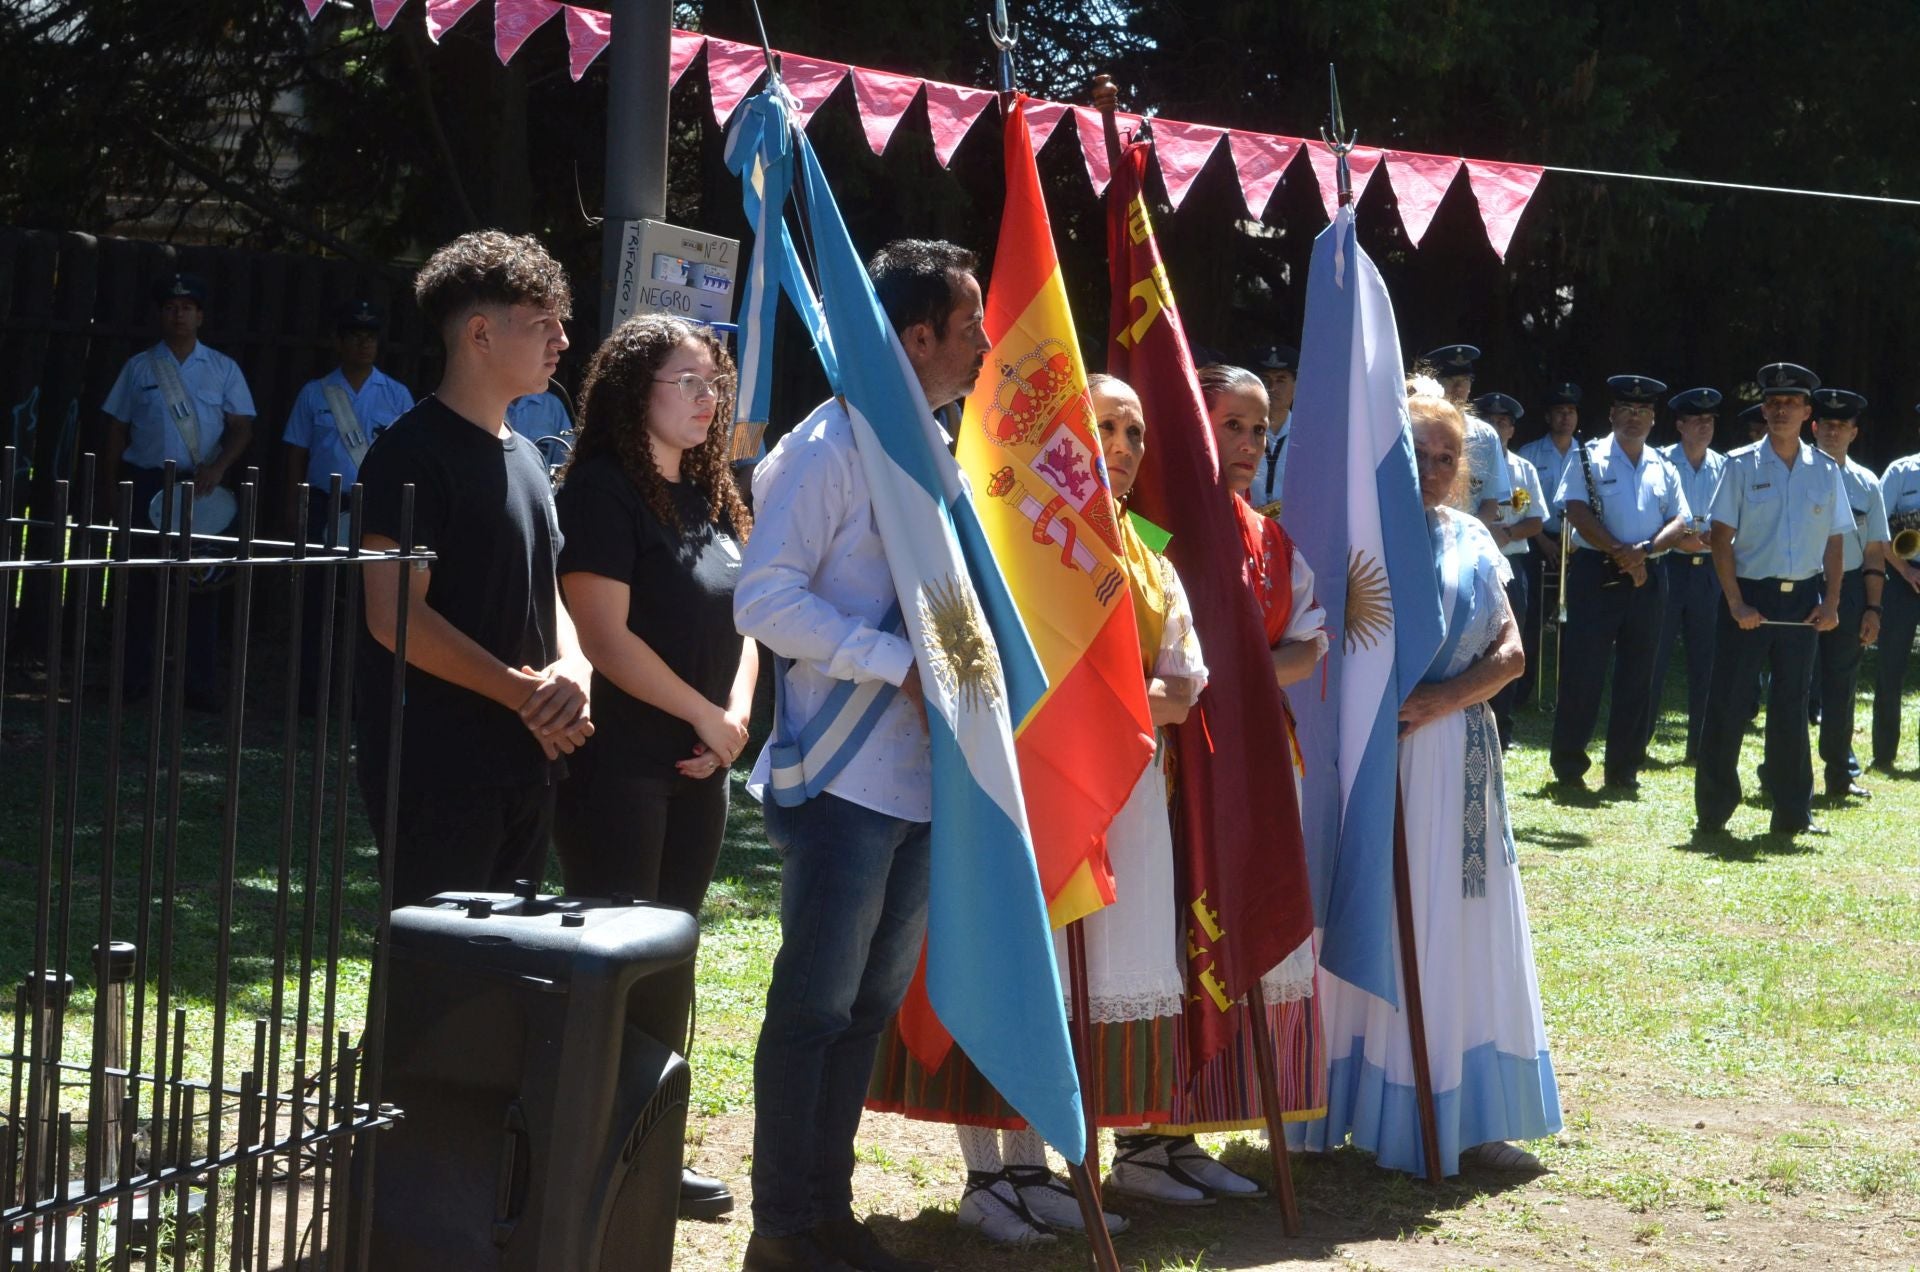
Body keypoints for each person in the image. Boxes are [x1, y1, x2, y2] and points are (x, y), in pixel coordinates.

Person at [863, 375, 1201, 1245]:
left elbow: (1184, 677)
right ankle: (991, 1173)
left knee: (1077, 981)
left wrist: (1129, 701)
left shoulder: (1148, 547)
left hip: (1127, 798)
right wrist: (1122, 699)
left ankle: (1037, 1164)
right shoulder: (1012, 540)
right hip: (1029, 788)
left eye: (1133, 431)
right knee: (1019, 961)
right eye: (1103, 427)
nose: (1120, 447)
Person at [735, 239, 989, 1272]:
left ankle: (825, 1214)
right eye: (969, 324)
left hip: (925, 780)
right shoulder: (827, 447)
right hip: (844, 779)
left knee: (867, 1009)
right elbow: (764, 597)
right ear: (917, 333)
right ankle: (782, 1229)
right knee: (813, 1007)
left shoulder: (931, 443)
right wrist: (896, 662)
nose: (982, 343)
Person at [1306, 392, 1561, 1175]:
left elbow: (1513, 655)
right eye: (1418, 453)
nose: (1434, 469)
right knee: (1373, 915)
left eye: (1447, 456)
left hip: (1456, 760)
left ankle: (1469, 1113)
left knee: (1459, 925)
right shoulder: (1353, 541)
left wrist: (1442, 699)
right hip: (1375, 764)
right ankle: (1346, 1105)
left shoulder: (1474, 538)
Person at [1107, 363, 1329, 1204]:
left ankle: (1183, 1130)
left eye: (1260, 429)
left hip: (1257, 763)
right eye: (1231, 425)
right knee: (1163, 937)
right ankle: (1140, 1136)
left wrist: (1243, 671)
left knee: (1228, 934)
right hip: (1173, 761)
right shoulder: (1158, 530)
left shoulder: (1270, 541)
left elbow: (1310, 644)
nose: (1247, 443)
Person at [551, 315, 757, 1220]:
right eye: (689, 381)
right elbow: (603, 639)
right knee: (617, 961)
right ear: (637, 389)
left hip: (701, 767)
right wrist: (704, 715)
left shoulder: (714, 495)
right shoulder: (601, 491)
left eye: (714, 384)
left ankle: (651, 1151)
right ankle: (590, 1153)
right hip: (622, 764)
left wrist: (734, 723)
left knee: (672, 959)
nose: (708, 399)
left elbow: (747, 616)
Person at [354, 231, 593, 909]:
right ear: (481, 334)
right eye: (543, 323)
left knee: (498, 982)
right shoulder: (409, 455)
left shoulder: (526, 456)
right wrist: (524, 694)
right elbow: (393, 615)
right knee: (431, 984)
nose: (563, 341)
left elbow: (547, 588)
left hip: (530, 758)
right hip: (439, 766)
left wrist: (574, 673)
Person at [1694, 363, 1850, 838]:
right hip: (1750, 596)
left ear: (1807, 413)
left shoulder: (1824, 470)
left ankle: (1792, 812)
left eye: (1791, 403)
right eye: (1774, 403)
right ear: (1764, 409)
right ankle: (1714, 813)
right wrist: (1737, 603)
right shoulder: (1740, 465)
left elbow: (1836, 542)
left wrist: (1832, 603)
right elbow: (1720, 538)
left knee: (1792, 704)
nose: (1781, 410)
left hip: (1803, 599)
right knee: (1729, 703)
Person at [99, 272, 256, 708]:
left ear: (200, 315)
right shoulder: (139, 367)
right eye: (171, 307)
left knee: (202, 587)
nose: (179, 314)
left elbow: (242, 428)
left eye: (187, 307)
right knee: (141, 585)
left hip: (202, 486)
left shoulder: (223, 368)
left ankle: (199, 686)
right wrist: (111, 487)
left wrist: (219, 468)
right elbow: (115, 428)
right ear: (160, 314)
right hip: (147, 479)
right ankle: (134, 682)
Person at [1549, 376, 1691, 791]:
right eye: (1626, 410)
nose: (1634, 418)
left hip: (1649, 576)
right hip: (1597, 574)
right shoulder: (1587, 457)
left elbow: (1680, 520)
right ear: (1612, 415)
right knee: (1583, 672)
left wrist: (1642, 552)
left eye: (1643, 411)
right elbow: (1575, 510)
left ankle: (1623, 769)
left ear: (1653, 418)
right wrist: (1619, 552)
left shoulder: (1663, 465)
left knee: (1639, 675)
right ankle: (1570, 767)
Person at [280, 299, 416, 713]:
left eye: (370, 337)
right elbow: (294, 455)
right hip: (324, 504)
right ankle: (312, 697)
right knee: (317, 603)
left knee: (373, 602)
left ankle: (366, 696)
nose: (363, 344)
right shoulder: (314, 393)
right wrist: (294, 507)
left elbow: (410, 457)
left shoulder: (396, 394)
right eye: (355, 336)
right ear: (339, 342)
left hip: (375, 509)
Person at [1808, 389, 1887, 801]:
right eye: (1827, 424)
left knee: (1841, 684)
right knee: (1792, 682)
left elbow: (1874, 550)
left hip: (1853, 588)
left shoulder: (1867, 483)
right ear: (1814, 427)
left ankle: (1840, 774)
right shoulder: (1795, 473)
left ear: (1854, 433)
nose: (1834, 431)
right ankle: (1782, 773)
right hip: (1802, 584)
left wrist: (1872, 607)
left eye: (1843, 426)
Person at [1646, 388, 1726, 760]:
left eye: (1709, 420)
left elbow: (1733, 519)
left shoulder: (1725, 466)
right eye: (1696, 420)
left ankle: (1701, 747)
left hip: (1710, 572)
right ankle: (1638, 743)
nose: (1704, 426)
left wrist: (1709, 539)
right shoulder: (1660, 462)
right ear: (1680, 425)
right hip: (1669, 568)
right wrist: (1687, 538)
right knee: (1652, 656)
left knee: (1708, 662)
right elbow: (1655, 515)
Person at [1477, 393, 1546, 747]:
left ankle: (1502, 726)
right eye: (1489, 418)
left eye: (1503, 421)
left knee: (1512, 637)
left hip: (1513, 562)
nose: (1495, 425)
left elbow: (1536, 520)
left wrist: (1508, 534)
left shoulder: (1524, 470)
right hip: (1477, 560)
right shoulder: (1469, 463)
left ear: (1512, 429)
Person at [1516, 382, 1584, 707]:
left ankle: (1569, 692)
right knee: (1531, 621)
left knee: (1577, 622)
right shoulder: (1529, 455)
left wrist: (1574, 542)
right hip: (1537, 541)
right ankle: (1524, 691)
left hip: (1579, 544)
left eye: (1570, 412)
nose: (1565, 417)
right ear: (1548, 416)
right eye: (1559, 412)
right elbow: (1520, 506)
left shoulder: (1587, 456)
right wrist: (1542, 540)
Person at [1872, 433, 1920, 772]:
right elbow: (1879, 532)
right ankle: (1884, 753)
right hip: (1903, 581)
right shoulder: (1900, 472)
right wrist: (1906, 572)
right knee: (1891, 668)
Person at [1422, 344, 1511, 527]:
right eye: (1450, 379)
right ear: (1435, 382)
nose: (1458, 388)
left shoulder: (1486, 436)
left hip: (1466, 540)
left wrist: (1467, 538)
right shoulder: (1417, 430)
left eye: (1464, 380)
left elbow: (1490, 502)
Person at [1248, 342, 1299, 517]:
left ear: (1296, 386)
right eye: (1265, 379)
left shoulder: (1308, 436)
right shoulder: (1239, 431)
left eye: (1281, 380)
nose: (1272, 388)